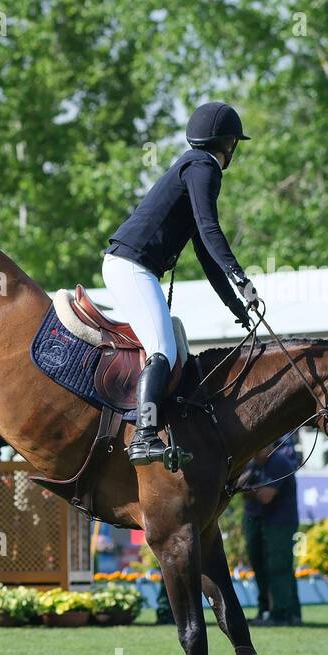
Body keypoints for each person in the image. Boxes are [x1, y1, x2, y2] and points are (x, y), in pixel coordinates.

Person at [103, 101, 258, 466]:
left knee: (170, 347)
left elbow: (206, 253)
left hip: (131, 266)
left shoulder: (191, 168)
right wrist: (243, 280)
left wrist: (236, 306)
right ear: (228, 143)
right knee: (164, 349)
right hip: (132, 266)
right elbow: (210, 229)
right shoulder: (204, 166)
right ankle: (142, 437)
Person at [240, 441, 302, 626]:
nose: (256, 451)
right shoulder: (253, 465)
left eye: (260, 446)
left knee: (279, 568)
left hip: (279, 524)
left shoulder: (279, 462)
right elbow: (236, 486)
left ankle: (283, 613)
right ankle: (266, 611)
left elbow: (266, 496)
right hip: (257, 521)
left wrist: (247, 490)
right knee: (259, 568)